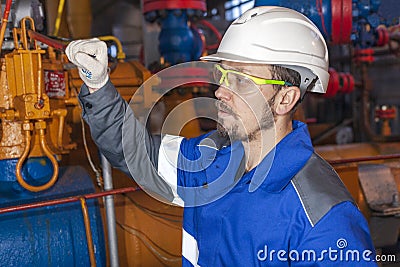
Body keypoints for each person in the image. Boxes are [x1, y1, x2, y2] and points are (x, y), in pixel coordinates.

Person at [66, 6, 377, 266]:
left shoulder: (324, 219)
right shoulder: (209, 161)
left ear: (286, 100)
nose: (219, 92)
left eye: (240, 80)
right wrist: (99, 86)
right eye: (223, 75)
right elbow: (133, 153)